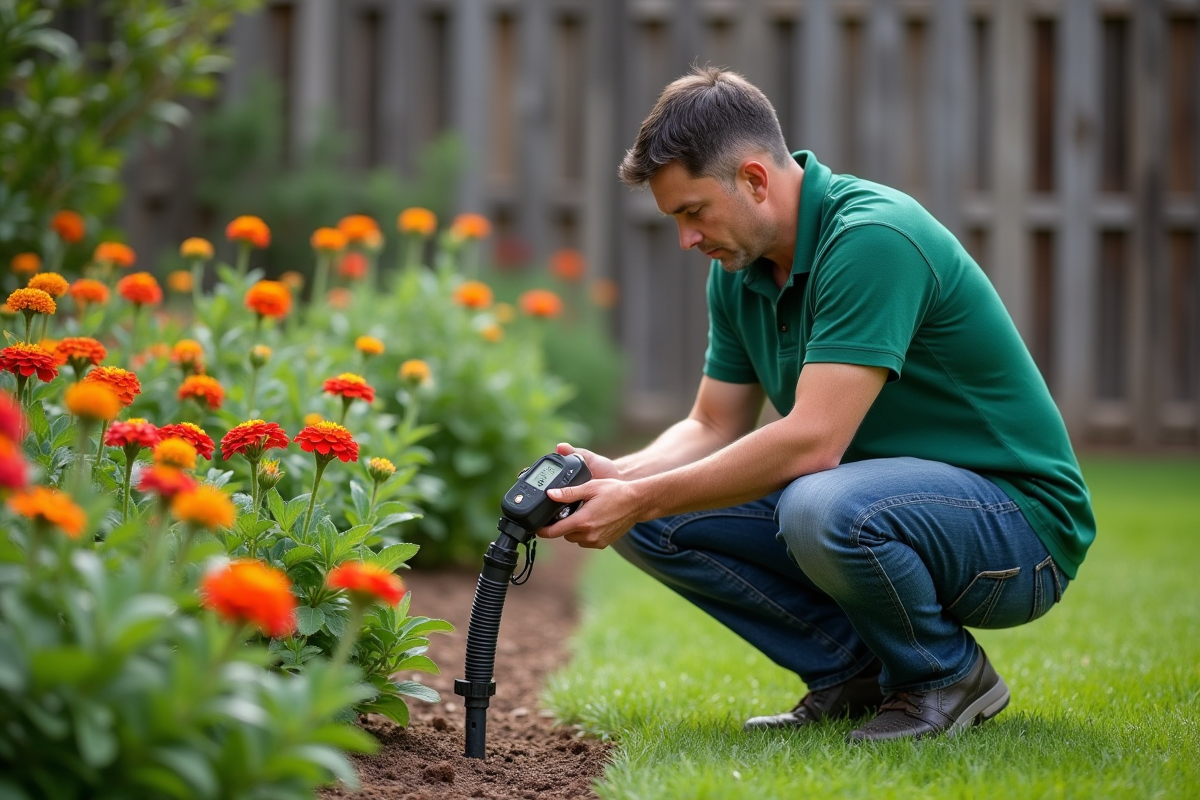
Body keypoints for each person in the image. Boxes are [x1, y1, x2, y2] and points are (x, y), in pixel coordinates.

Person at [536, 66, 1095, 743]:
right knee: (650, 517)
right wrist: (618, 479)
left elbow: (813, 443)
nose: (687, 238)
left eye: (692, 211)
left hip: (1019, 531)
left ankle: (945, 678)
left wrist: (646, 493)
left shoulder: (872, 239)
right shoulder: (739, 271)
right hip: (889, 508)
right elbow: (712, 423)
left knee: (816, 505)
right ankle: (853, 676)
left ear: (754, 179)